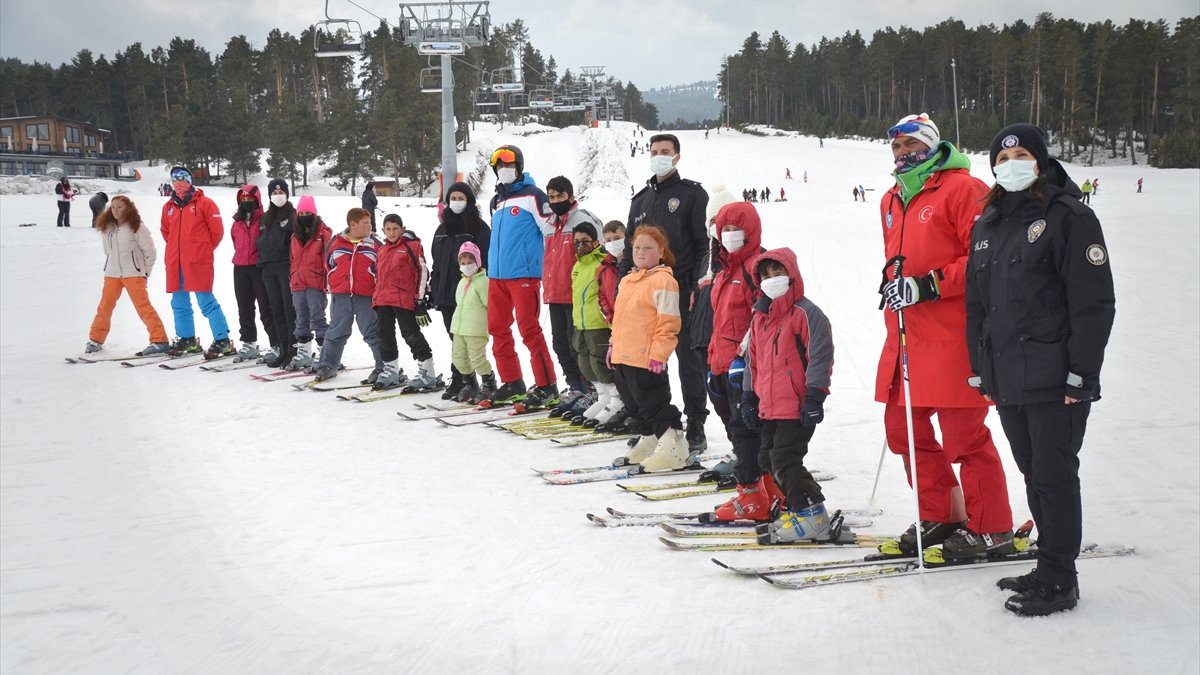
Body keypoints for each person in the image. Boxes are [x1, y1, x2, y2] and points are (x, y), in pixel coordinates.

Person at [967, 123, 1115, 616]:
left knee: (1054, 474)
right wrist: (981, 369)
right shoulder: (988, 224)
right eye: (1002, 155)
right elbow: (977, 308)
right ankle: (1048, 562)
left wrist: (1082, 375)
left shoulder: (1069, 216)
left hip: (1056, 379)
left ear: (1041, 159)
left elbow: (1093, 304)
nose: (1010, 161)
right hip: (1008, 377)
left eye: (1021, 153)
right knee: (1033, 473)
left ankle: (1060, 579)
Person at [875, 113, 1014, 557]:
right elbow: (901, 257)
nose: (902, 153)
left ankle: (992, 526)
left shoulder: (963, 189)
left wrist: (928, 284)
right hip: (906, 338)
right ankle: (943, 514)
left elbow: (983, 261)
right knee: (903, 431)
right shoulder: (892, 199)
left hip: (954, 338)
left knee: (964, 438)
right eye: (896, 147)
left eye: (911, 144)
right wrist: (894, 280)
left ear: (932, 145)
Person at [625, 133, 711, 454]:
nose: (659, 156)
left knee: (688, 360)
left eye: (665, 152)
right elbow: (629, 252)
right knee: (647, 361)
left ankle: (696, 423)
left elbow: (705, 247)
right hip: (647, 295)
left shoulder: (691, 195)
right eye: (654, 151)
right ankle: (656, 424)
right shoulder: (640, 201)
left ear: (677, 157)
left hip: (681, 291)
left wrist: (699, 288)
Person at [745, 249, 836, 543]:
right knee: (768, 459)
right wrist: (749, 395)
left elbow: (820, 356)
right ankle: (802, 508)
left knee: (785, 460)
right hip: (769, 406)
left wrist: (814, 396)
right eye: (766, 276)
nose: (773, 280)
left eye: (778, 274)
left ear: (792, 275)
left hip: (797, 406)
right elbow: (753, 361)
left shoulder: (806, 313)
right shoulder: (760, 317)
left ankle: (812, 515)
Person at [703, 202, 777, 523]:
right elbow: (721, 322)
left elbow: (764, 317)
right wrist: (712, 363)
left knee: (747, 430)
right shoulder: (723, 271)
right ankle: (768, 489)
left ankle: (751, 495)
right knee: (740, 429)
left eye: (737, 229)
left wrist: (744, 358)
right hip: (721, 363)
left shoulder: (756, 268)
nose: (731, 235)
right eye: (725, 230)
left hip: (746, 367)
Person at [485, 145, 559, 408]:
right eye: (499, 166)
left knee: (529, 329)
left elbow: (550, 231)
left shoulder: (534, 196)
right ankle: (513, 382)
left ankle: (547, 385)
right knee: (497, 329)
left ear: (518, 166)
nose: (504, 170)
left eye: (508, 165)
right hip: (497, 277)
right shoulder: (496, 202)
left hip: (524, 276)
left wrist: (549, 268)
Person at [610, 225, 688, 471]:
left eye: (648, 248)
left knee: (653, 404)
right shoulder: (627, 281)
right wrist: (613, 346)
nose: (641, 252)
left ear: (661, 252)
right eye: (637, 248)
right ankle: (650, 439)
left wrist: (659, 353)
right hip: (624, 356)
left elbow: (669, 322)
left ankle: (674, 447)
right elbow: (619, 319)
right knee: (634, 405)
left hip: (646, 357)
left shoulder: (664, 281)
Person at [160, 166, 233, 359]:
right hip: (176, 262)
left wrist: (201, 250)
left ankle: (222, 339)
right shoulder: (168, 207)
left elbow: (216, 232)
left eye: (183, 178)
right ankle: (187, 339)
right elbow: (166, 232)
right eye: (175, 179)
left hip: (198, 261)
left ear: (190, 181)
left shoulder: (205, 204)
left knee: (206, 301)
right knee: (179, 302)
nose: (179, 183)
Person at [85, 195, 170, 355]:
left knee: (143, 307)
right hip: (112, 274)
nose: (116, 210)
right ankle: (95, 339)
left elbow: (150, 253)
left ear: (128, 208)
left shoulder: (137, 227)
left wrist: (144, 273)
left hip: (133, 274)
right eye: (113, 207)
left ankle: (160, 340)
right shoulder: (107, 227)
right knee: (104, 307)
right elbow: (107, 251)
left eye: (120, 207)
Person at [429, 182, 491, 398]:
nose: (456, 202)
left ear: (469, 201)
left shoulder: (479, 228)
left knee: (469, 341)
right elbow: (437, 261)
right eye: (453, 198)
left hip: (471, 292)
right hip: (447, 294)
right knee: (455, 339)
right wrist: (433, 290)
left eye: (460, 198)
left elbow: (486, 259)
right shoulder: (442, 228)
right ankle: (464, 380)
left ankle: (477, 381)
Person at [545, 176, 604, 401]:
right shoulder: (550, 224)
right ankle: (575, 386)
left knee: (577, 345)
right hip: (555, 293)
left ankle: (591, 388)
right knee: (560, 344)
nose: (556, 200)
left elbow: (600, 252)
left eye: (560, 196)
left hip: (577, 295)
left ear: (570, 196)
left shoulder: (583, 220)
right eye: (551, 197)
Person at [313, 208, 385, 382]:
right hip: (341, 296)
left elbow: (382, 270)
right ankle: (327, 365)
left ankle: (384, 367)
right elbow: (328, 265)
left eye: (370, 223)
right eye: (365, 223)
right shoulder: (335, 243)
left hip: (366, 296)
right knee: (336, 331)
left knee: (373, 332)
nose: (370, 226)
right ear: (353, 225)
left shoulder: (376, 245)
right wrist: (336, 283)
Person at [566, 220, 623, 428]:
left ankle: (617, 399)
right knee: (585, 363)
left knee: (600, 363)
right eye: (576, 242)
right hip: (581, 323)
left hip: (598, 323)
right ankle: (603, 397)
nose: (580, 246)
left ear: (596, 242)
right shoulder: (577, 266)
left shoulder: (602, 263)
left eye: (585, 241)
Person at [373, 213, 439, 391]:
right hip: (383, 299)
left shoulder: (412, 246)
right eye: (388, 229)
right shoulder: (382, 249)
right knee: (384, 334)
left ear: (402, 228)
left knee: (410, 333)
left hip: (403, 299)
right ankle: (391, 369)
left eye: (395, 228)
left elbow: (422, 271)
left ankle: (427, 371)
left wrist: (419, 300)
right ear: (383, 230)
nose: (392, 232)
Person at [230, 185, 277, 363]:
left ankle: (276, 343)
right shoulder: (236, 222)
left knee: (266, 307)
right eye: (243, 200)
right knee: (244, 307)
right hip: (240, 267)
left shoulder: (265, 220)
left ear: (257, 200)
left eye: (250, 199)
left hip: (259, 267)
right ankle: (249, 342)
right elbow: (235, 242)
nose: (246, 202)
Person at [287, 195, 332, 371]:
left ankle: (326, 354)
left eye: (308, 212)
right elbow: (292, 259)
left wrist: (327, 281)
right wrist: (292, 276)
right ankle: (304, 353)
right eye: (301, 212)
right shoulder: (295, 236)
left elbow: (329, 260)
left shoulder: (323, 234)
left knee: (318, 319)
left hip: (315, 283)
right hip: (298, 284)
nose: (304, 215)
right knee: (301, 319)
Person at [256, 178, 297, 367]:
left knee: (290, 310)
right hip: (268, 268)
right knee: (276, 310)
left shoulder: (293, 216)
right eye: (274, 193)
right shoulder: (265, 217)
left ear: (287, 194)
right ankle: (283, 347)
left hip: (285, 266)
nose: (278, 196)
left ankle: (294, 349)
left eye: (281, 193)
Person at [449, 242, 494, 403]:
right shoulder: (462, 282)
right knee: (458, 358)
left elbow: (490, 304)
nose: (466, 266)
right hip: (459, 327)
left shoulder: (483, 282)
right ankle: (469, 384)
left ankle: (489, 383)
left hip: (476, 328)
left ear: (478, 263)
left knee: (477, 358)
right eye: (463, 263)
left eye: (470, 262)